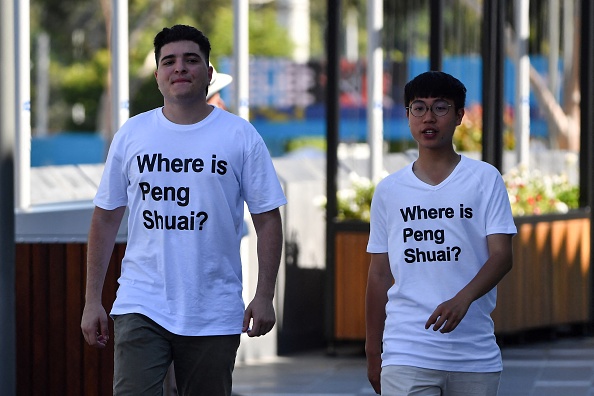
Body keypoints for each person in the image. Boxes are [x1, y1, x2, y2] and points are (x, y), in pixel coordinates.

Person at [81, 24, 286, 396]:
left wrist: (264, 294)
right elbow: (106, 217)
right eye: (169, 61)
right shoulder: (132, 134)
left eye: (191, 60)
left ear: (208, 74)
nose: (180, 68)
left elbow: (268, 220)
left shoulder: (240, 135)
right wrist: (92, 300)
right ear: (158, 75)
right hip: (140, 302)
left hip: (214, 309)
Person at [365, 71, 516, 396]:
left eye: (440, 107)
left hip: (473, 354)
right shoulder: (390, 190)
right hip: (406, 351)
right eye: (418, 108)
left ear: (460, 115)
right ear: (407, 116)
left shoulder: (485, 179)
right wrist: (373, 350)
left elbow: (502, 256)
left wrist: (462, 299)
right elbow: (379, 274)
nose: (428, 117)